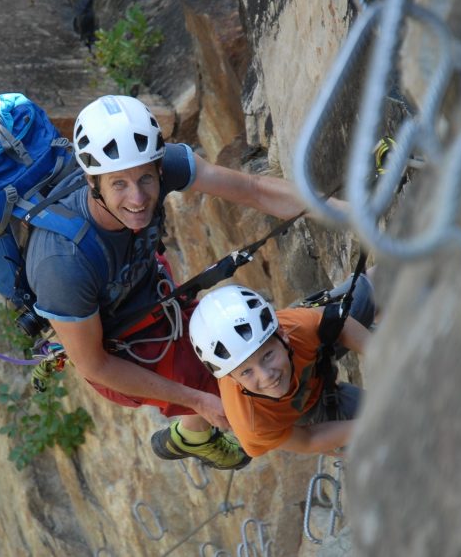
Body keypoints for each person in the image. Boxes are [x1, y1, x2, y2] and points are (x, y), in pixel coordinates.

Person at [24, 94, 322, 470]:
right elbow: (95, 365)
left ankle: (189, 436)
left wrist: (352, 211)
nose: (138, 198)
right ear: (92, 181)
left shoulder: (159, 167)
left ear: (158, 167)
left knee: (232, 339)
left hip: (151, 292)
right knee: (240, 382)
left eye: (146, 178)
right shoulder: (61, 264)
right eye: (119, 185)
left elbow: (255, 190)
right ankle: (203, 432)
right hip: (119, 347)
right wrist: (199, 400)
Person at [187, 279, 374, 457]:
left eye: (267, 356)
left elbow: (339, 323)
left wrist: (386, 356)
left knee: (376, 284)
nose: (266, 376)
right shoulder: (251, 422)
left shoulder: (297, 327)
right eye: (246, 372)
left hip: (315, 350)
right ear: (233, 379)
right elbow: (309, 439)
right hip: (312, 408)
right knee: (388, 423)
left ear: (282, 334)